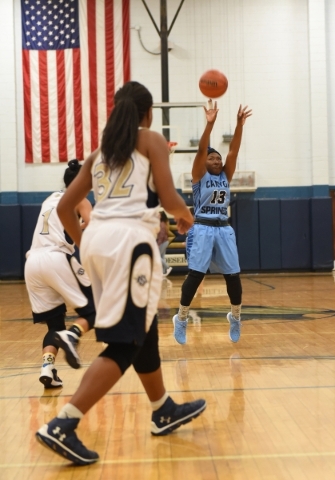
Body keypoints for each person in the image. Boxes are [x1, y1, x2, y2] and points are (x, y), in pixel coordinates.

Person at [35, 81, 206, 465]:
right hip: (130, 244)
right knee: (126, 342)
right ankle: (63, 423)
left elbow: (67, 207)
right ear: (147, 114)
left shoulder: (100, 152)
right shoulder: (150, 140)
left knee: (143, 328)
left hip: (97, 241)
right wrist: (184, 215)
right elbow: (167, 195)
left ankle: (162, 408)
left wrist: (88, 242)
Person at [172, 100, 252, 345]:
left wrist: (239, 125)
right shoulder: (199, 175)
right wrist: (210, 124)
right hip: (204, 227)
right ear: (204, 163)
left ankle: (235, 316)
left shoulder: (226, 176)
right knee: (195, 275)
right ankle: (182, 318)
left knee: (233, 278)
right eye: (213, 159)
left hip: (224, 229)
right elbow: (201, 152)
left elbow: (234, 151)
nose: (217, 161)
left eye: (218, 158)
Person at [24, 160, 96, 388]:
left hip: (32, 262)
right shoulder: (80, 199)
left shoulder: (49, 199)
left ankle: (48, 367)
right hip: (56, 257)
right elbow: (91, 222)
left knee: (54, 325)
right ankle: (73, 334)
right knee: (96, 309)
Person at [157, 210, 172, 276]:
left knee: (157, 256)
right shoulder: (164, 223)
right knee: (162, 257)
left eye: (159, 215)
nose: (158, 216)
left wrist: (158, 244)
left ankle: (168, 267)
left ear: (162, 216)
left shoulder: (161, 224)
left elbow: (161, 235)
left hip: (163, 242)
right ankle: (163, 272)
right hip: (165, 241)